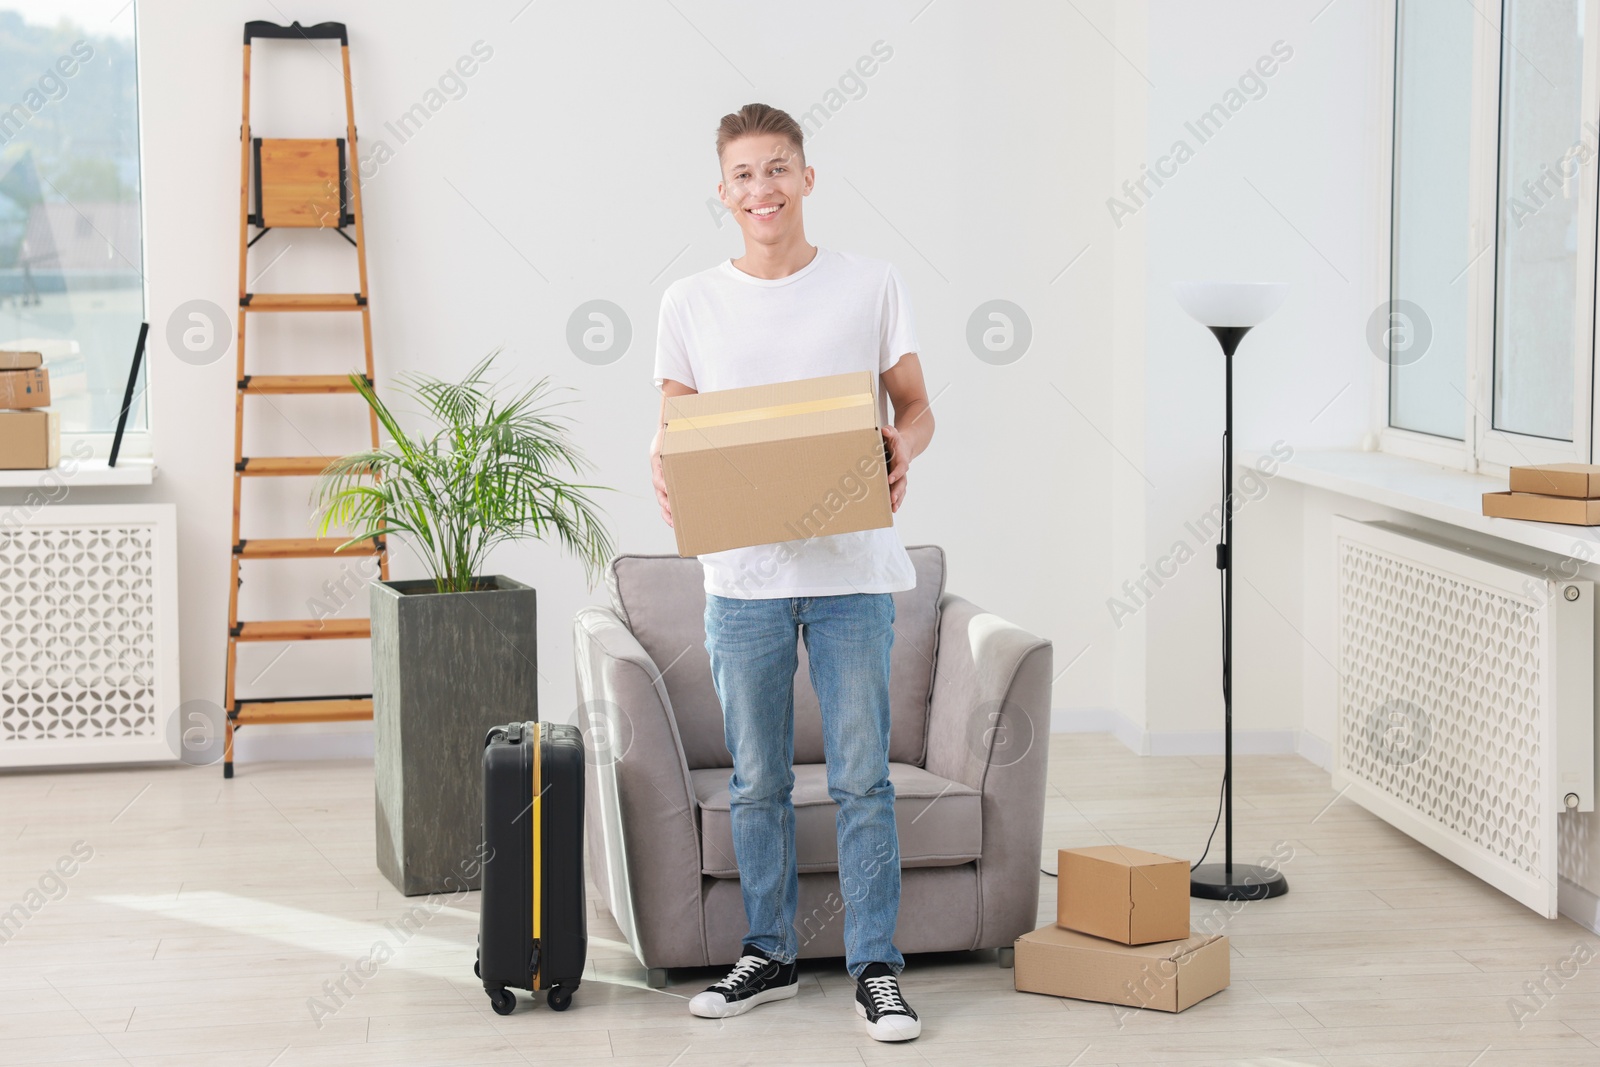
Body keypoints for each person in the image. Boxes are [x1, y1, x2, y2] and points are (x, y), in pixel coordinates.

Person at [648, 102, 935, 1043]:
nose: (762, 189)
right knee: (759, 778)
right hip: (743, 578)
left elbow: (917, 407)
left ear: (807, 179)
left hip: (853, 568)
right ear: (722, 193)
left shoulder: (871, 284)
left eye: (779, 170)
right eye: (744, 175)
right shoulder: (689, 302)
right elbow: (676, 431)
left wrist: (903, 445)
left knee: (861, 776)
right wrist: (666, 466)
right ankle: (767, 953)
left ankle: (877, 968)